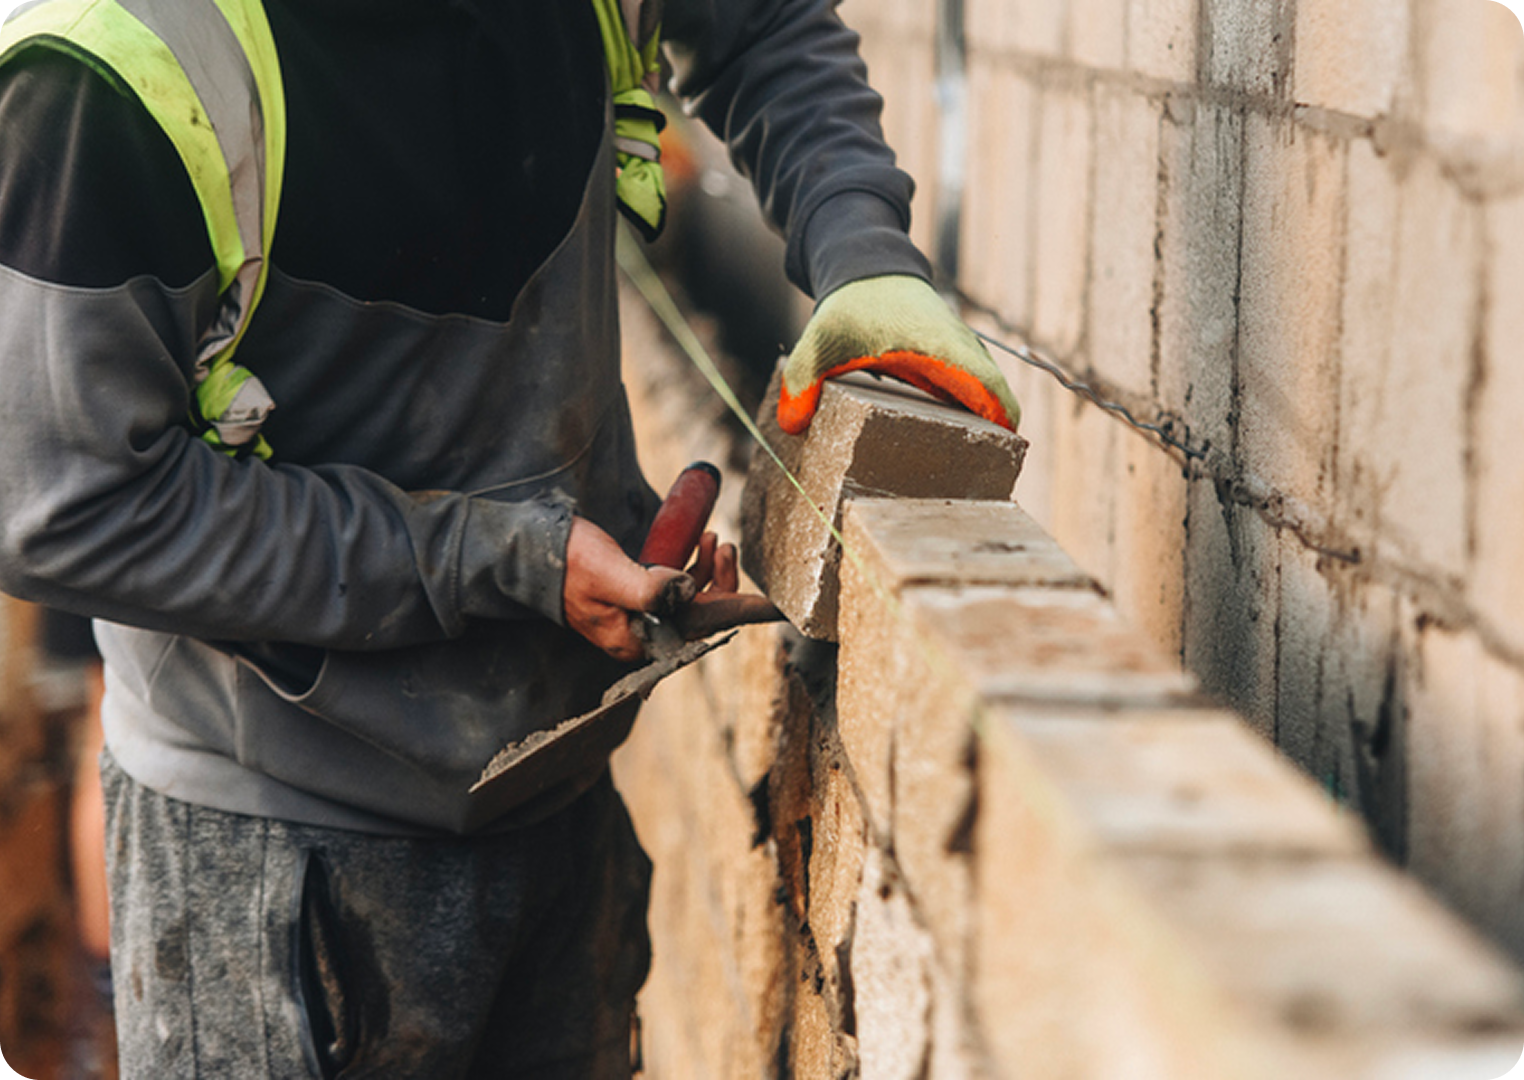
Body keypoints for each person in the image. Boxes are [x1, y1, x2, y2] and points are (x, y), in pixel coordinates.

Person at [0, 0, 1018, 1075]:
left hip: (555, 797)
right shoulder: (116, 68)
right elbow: (68, 507)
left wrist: (864, 254)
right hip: (278, 868)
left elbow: (758, 26)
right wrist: (510, 560)